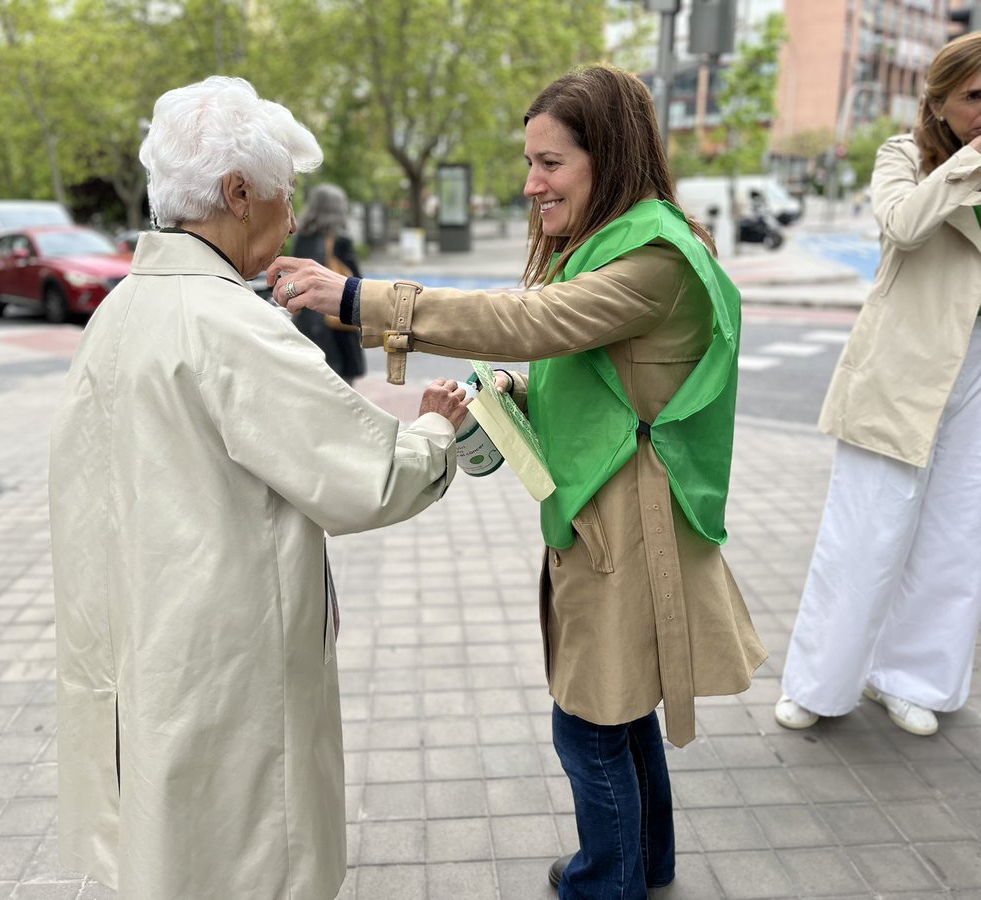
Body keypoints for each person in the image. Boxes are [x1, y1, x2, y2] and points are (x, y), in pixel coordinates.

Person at [268, 64, 767, 900]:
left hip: (628, 522)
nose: (531, 183)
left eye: (551, 163)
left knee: (589, 725)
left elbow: (528, 322)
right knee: (621, 705)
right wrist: (505, 397)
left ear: (608, 155)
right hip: (619, 514)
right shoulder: (622, 243)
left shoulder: (654, 258)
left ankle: (606, 881)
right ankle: (650, 863)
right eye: (530, 162)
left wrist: (358, 296)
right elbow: (592, 367)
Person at [48, 76, 468, 899]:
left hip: (143, 637)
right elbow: (370, 477)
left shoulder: (118, 311)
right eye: (287, 194)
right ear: (239, 194)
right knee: (251, 858)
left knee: (167, 847)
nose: (293, 215)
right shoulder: (228, 323)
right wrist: (435, 429)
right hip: (228, 661)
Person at [775, 33, 981, 737]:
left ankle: (912, 679)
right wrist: (971, 165)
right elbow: (901, 226)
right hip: (900, 371)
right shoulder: (905, 155)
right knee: (864, 532)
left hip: (976, 373)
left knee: (957, 535)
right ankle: (819, 683)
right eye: (975, 97)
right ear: (941, 101)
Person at [290, 183, 368, 383]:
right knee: (342, 384)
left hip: (306, 321)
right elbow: (357, 284)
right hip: (335, 320)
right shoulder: (341, 241)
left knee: (314, 380)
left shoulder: (301, 238)